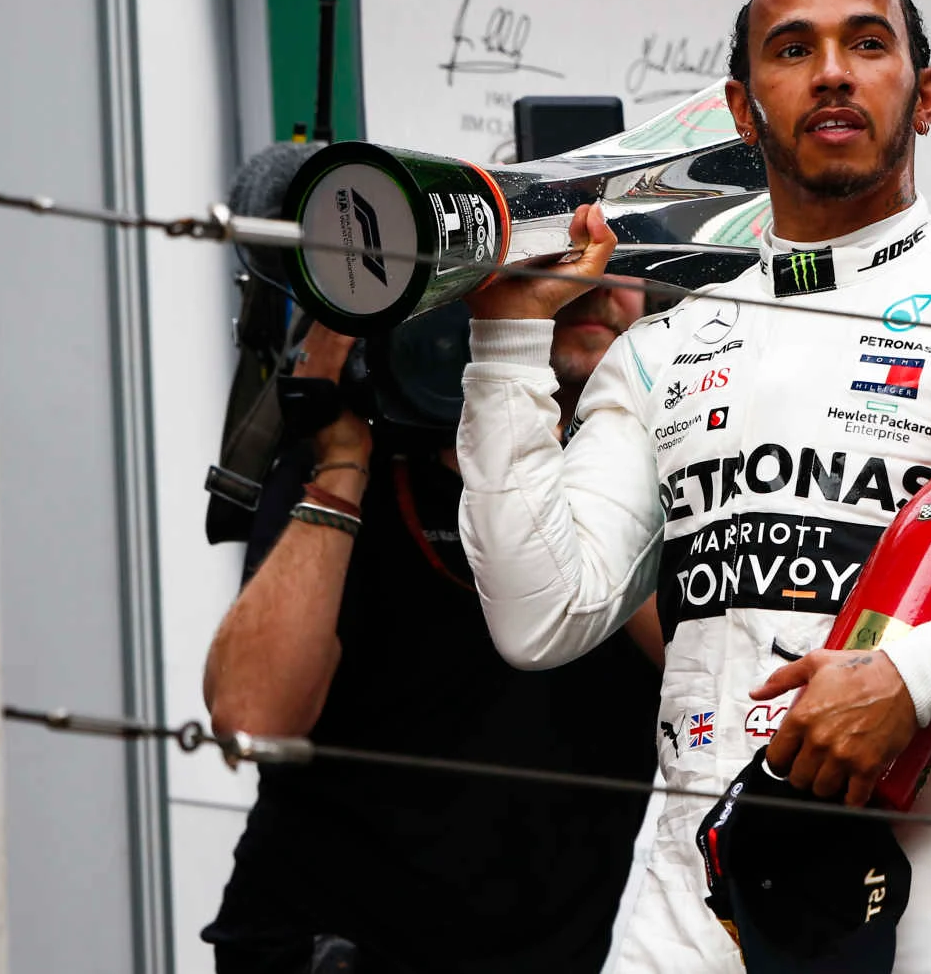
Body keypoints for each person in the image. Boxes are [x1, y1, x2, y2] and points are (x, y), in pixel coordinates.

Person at [455, 0, 931, 974]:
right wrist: (504, 345)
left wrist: (910, 676)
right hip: (685, 906)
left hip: (911, 889)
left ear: (925, 95)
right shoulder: (665, 348)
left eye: (868, 43)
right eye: (794, 48)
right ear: (741, 107)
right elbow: (539, 614)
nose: (834, 72)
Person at [198, 282, 663, 974]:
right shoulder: (369, 446)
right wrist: (340, 458)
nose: (594, 283)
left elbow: (716, 670)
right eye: (557, 257)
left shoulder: (667, 471)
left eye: (619, 257)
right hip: (320, 948)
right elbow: (253, 715)